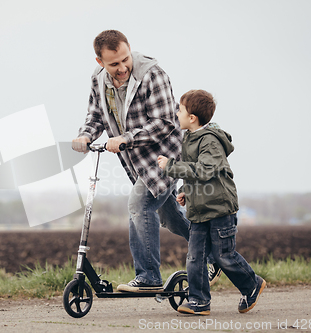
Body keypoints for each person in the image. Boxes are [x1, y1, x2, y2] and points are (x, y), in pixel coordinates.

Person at [72, 30, 220, 292]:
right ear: (100, 63)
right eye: (113, 64)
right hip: (137, 161)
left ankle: (149, 277)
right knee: (170, 217)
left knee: (139, 205)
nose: (122, 68)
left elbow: (165, 123)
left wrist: (126, 138)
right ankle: (216, 255)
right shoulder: (98, 80)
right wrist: (85, 136)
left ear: (130, 50)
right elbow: (95, 116)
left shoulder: (153, 75)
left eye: (125, 59)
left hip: (167, 155)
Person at [158, 89, 266, 315]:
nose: (176, 113)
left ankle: (252, 284)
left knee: (223, 256)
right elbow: (194, 173)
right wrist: (185, 191)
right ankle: (199, 301)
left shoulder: (210, 141)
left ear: (192, 118)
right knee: (195, 257)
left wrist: (170, 166)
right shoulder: (189, 138)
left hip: (219, 209)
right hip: (199, 210)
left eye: (179, 110)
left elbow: (206, 170)